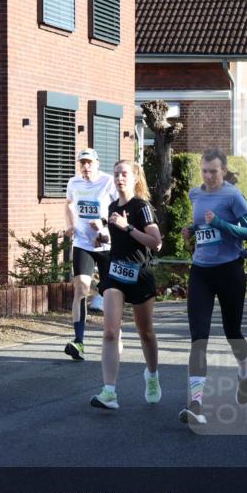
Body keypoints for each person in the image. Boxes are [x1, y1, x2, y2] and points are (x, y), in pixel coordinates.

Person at [178, 148, 247, 425]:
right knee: (198, 337)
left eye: (213, 171)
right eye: (204, 170)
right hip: (201, 271)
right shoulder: (195, 194)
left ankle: (245, 371)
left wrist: (221, 224)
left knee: (232, 331)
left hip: (229, 271)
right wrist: (191, 230)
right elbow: (202, 225)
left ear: (223, 171)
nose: (208, 176)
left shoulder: (233, 195)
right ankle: (196, 403)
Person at [90, 161, 164, 410]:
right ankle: (109, 392)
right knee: (110, 332)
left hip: (140, 274)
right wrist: (104, 236)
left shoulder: (141, 207)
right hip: (116, 274)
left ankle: (152, 375)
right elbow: (119, 240)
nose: (120, 178)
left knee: (146, 332)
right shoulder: (112, 207)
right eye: (117, 174)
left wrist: (127, 227)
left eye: (125, 174)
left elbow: (155, 242)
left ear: (134, 178)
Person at [63, 148, 118, 361]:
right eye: (82, 163)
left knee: (110, 293)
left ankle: (115, 334)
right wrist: (70, 225)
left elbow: (120, 210)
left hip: (105, 244)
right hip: (82, 243)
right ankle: (79, 341)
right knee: (81, 289)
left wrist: (103, 224)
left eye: (89, 163)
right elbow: (68, 204)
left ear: (97, 163)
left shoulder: (108, 182)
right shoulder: (73, 182)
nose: (85, 167)